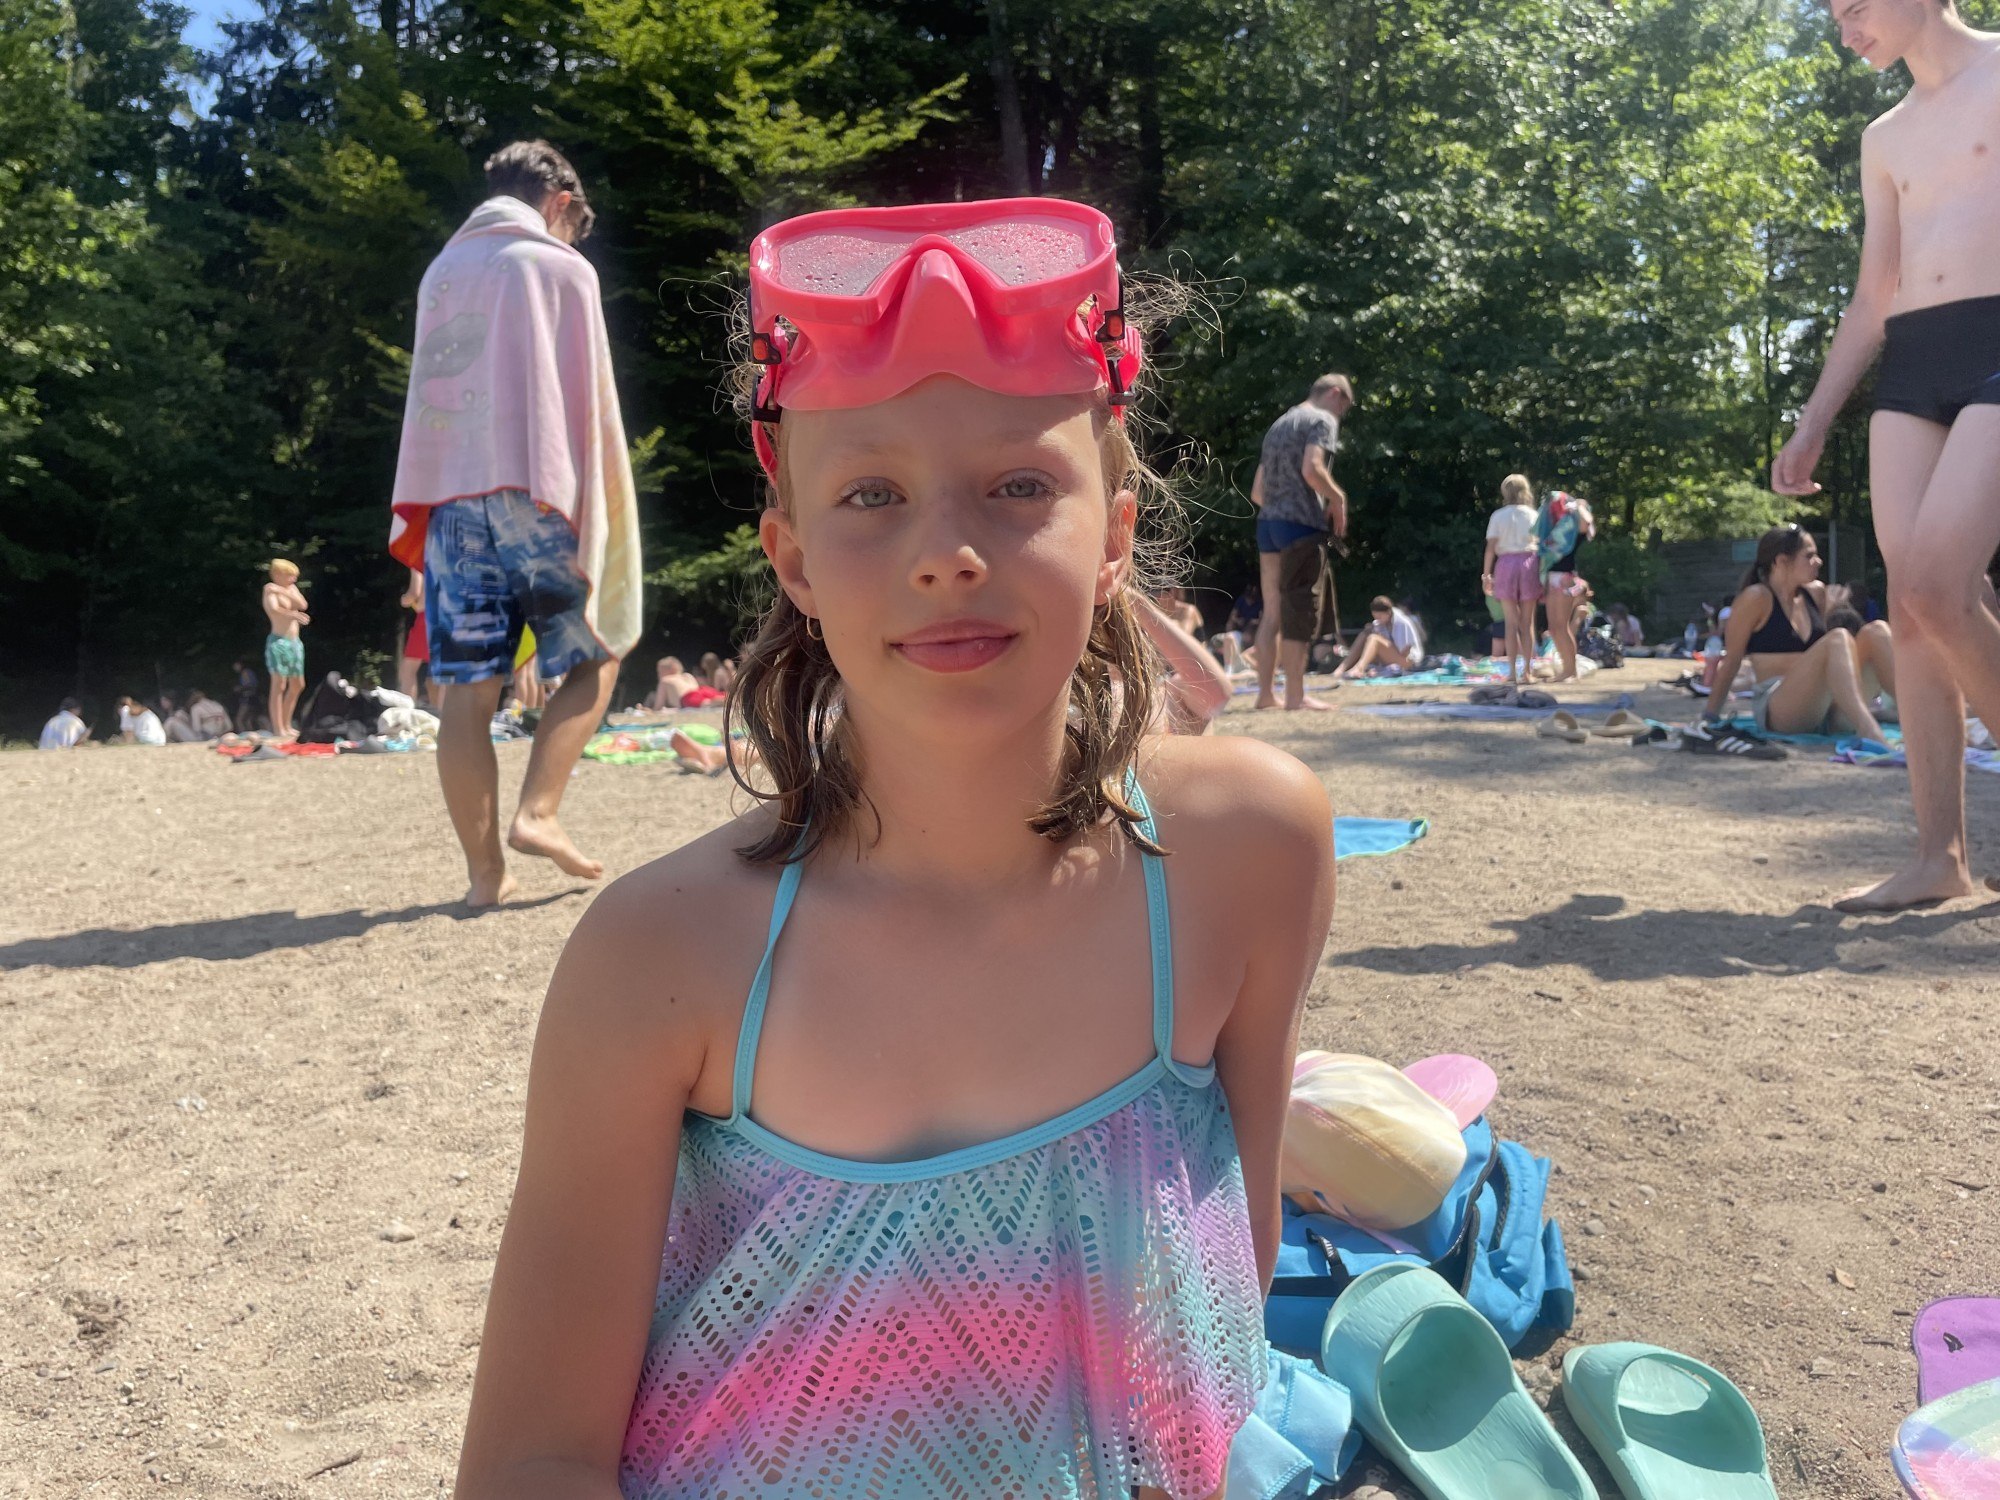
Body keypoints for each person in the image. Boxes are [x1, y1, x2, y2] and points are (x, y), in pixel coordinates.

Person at [452, 197, 1338, 1500]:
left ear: (1115, 538)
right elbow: (534, 1459)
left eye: (1019, 485)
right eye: (871, 494)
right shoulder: (660, 961)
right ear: (794, 558)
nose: (947, 556)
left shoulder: (1248, 852)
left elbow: (1223, 1310)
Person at [1771, 0, 2000, 910]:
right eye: (1833, 14)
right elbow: (1874, 295)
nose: (1844, 29)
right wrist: (1813, 419)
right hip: (1912, 361)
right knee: (1909, 610)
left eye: (1857, 6)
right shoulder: (1884, 136)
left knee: (1939, 587)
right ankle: (1940, 858)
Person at [389, 139, 644, 906]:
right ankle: (538, 812)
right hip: (536, 489)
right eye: (574, 224)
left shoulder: (441, 272)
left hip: (450, 498)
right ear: (560, 203)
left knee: (466, 691)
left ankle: (484, 878)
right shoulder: (560, 267)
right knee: (601, 648)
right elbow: (585, 401)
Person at [1701, 526, 1897, 745]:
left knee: (1877, 630)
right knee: (1838, 637)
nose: (1818, 562)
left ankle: (1916, 715)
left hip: (1823, 706)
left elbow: (1832, 658)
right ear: (1781, 561)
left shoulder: (1815, 593)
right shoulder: (1756, 598)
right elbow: (1732, 662)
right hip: (1780, 709)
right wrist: (1710, 717)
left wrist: (1835, 606)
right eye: (1809, 556)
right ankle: (1868, 729)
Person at [1248, 373, 1355, 711]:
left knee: (1273, 611)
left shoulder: (1279, 424)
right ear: (1335, 394)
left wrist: (1280, 507)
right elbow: (1312, 469)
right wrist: (1337, 498)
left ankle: (1266, 695)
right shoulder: (1322, 420)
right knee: (1299, 610)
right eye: (1344, 407)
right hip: (1300, 527)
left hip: (1268, 524)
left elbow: (1257, 491)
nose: (1341, 415)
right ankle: (1295, 696)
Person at [1134, 588, 1233, 731]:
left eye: (1157, 593)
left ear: (1172, 593)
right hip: (1171, 667)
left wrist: (1149, 615)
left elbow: (1181, 636)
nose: (1155, 598)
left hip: (1194, 664)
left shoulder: (1187, 610)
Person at [1482, 473, 1541, 684]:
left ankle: (1513, 673)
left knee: (1510, 623)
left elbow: (1491, 548)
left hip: (1505, 564)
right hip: (1529, 563)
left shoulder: (1498, 516)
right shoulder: (1533, 515)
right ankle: (1527, 672)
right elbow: (1542, 545)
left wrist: (1486, 575)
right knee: (1527, 622)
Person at [1535, 490, 1596, 681]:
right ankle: (1566, 670)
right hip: (1552, 578)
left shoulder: (1574, 532)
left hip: (1564, 579)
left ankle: (1570, 670)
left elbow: (1586, 522)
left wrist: (1578, 505)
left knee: (1562, 627)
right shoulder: (1557, 531)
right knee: (1554, 628)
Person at [261, 559, 309, 737]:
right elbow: (274, 609)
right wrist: (293, 615)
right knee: (279, 685)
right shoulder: (269, 590)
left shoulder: (287, 589)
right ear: (277, 575)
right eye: (289, 575)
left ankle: (287, 724)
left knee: (298, 684)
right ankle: (278, 727)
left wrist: (282, 590)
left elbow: (303, 604)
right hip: (278, 642)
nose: (293, 579)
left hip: (294, 642)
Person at [1331, 595, 1425, 680]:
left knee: (1374, 639)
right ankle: (1342, 668)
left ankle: (1359, 669)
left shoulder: (1402, 622)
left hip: (1408, 661)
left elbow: (1405, 651)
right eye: (1375, 617)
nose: (1377, 620)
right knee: (1365, 634)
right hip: (1393, 656)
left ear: (1388, 612)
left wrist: (1381, 647)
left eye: (1379, 617)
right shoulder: (1380, 622)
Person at [398, 568, 429, 705]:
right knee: (442, 670)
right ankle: (443, 713)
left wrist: (405, 599)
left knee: (408, 668)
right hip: (450, 616)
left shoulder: (419, 561)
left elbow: (414, 593)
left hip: (427, 618)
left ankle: (406, 710)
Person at [166, 688, 232, 742]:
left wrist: (185, 721)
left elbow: (196, 729)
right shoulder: (219, 706)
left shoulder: (196, 708)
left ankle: (162, 743)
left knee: (171, 721)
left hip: (203, 739)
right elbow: (229, 726)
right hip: (219, 737)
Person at [231, 659, 262, 734]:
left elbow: (250, 685)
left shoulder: (245, 672)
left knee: (239, 720)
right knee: (248, 720)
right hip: (253, 698)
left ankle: (243, 735)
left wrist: (239, 688)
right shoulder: (249, 672)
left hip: (247, 698)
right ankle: (252, 734)